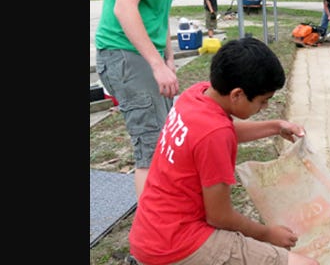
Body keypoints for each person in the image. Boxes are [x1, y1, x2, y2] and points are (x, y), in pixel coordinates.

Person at [128, 37, 319, 265]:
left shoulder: (196, 95)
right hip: (177, 244)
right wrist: (268, 234)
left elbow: (223, 133)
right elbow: (219, 216)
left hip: (149, 234)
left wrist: (275, 127)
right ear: (237, 94)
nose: (264, 107)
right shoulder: (214, 135)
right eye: (263, 101)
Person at [95, 0, 212, 200]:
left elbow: (160, 13)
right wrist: (157, 64)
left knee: (167, 136)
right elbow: (124, 8)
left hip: (148, 54)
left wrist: (168, 57)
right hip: (123, 53)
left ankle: (168, 213)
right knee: (151, 144)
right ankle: (149, 243)